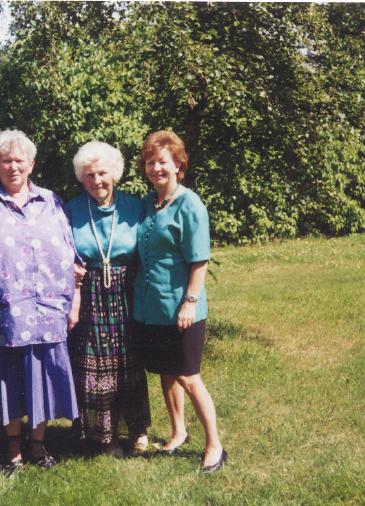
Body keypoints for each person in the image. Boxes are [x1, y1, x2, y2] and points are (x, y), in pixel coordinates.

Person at [0, 129, 79, 475]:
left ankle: (38, 443)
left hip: (49, 309)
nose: (13, 167)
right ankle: (13, 449)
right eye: (5, 161)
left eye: (19, 161)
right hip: (8, 312)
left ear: (31, 164)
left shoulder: (51, 201)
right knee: (10, 380)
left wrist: (75, 300)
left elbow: (72, 256)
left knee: (43, 377)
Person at [133, 130, 227, 473]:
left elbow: (199, 259)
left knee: (188, 376)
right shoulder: (148, 203)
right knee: (167, 372)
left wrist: (190, 301)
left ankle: (214, 445)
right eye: (150, 162)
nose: (156, 168)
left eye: (162, 162)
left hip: (182, 307)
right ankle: (178, 432)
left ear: (178, 165)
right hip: (153, 307)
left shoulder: (190, 205)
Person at [64, 141, 151, 457]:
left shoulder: (135, 206)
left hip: (127, 291)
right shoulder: (71, 209)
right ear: (81, 178)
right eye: (89, 175)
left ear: (115, 173)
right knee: (98, 366)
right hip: (89, 295)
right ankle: (107, 435)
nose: (97, 180)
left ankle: (138, 429)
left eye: (102, 173)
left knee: (130, 363)